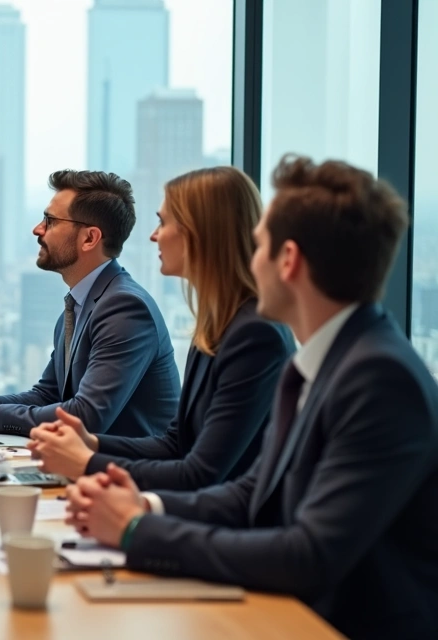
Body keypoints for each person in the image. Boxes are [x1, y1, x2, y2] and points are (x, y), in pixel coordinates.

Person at [64, 156, 438, 639]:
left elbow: (309, 556)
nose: (249, 257)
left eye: (258, 245)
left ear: (288, 261)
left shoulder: (379, 378)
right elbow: (252, 496)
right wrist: (143, 508)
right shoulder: (326, 362)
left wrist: (137, 530)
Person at [29, 167, 294, 490]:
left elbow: (202, 473)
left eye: (164, 222)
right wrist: (91, 443)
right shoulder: (215, 325)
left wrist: (87, 462)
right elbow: (175, 444)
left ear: (200, 232)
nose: (155, 235)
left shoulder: (254, 334)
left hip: (227, 524)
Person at [0, 170, 179, 438]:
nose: (38, 229)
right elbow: (48, 394)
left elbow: (87, 417)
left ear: (89, 238)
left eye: (50, 221)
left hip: (129, 475)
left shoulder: (125, 308)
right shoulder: (80, 303)